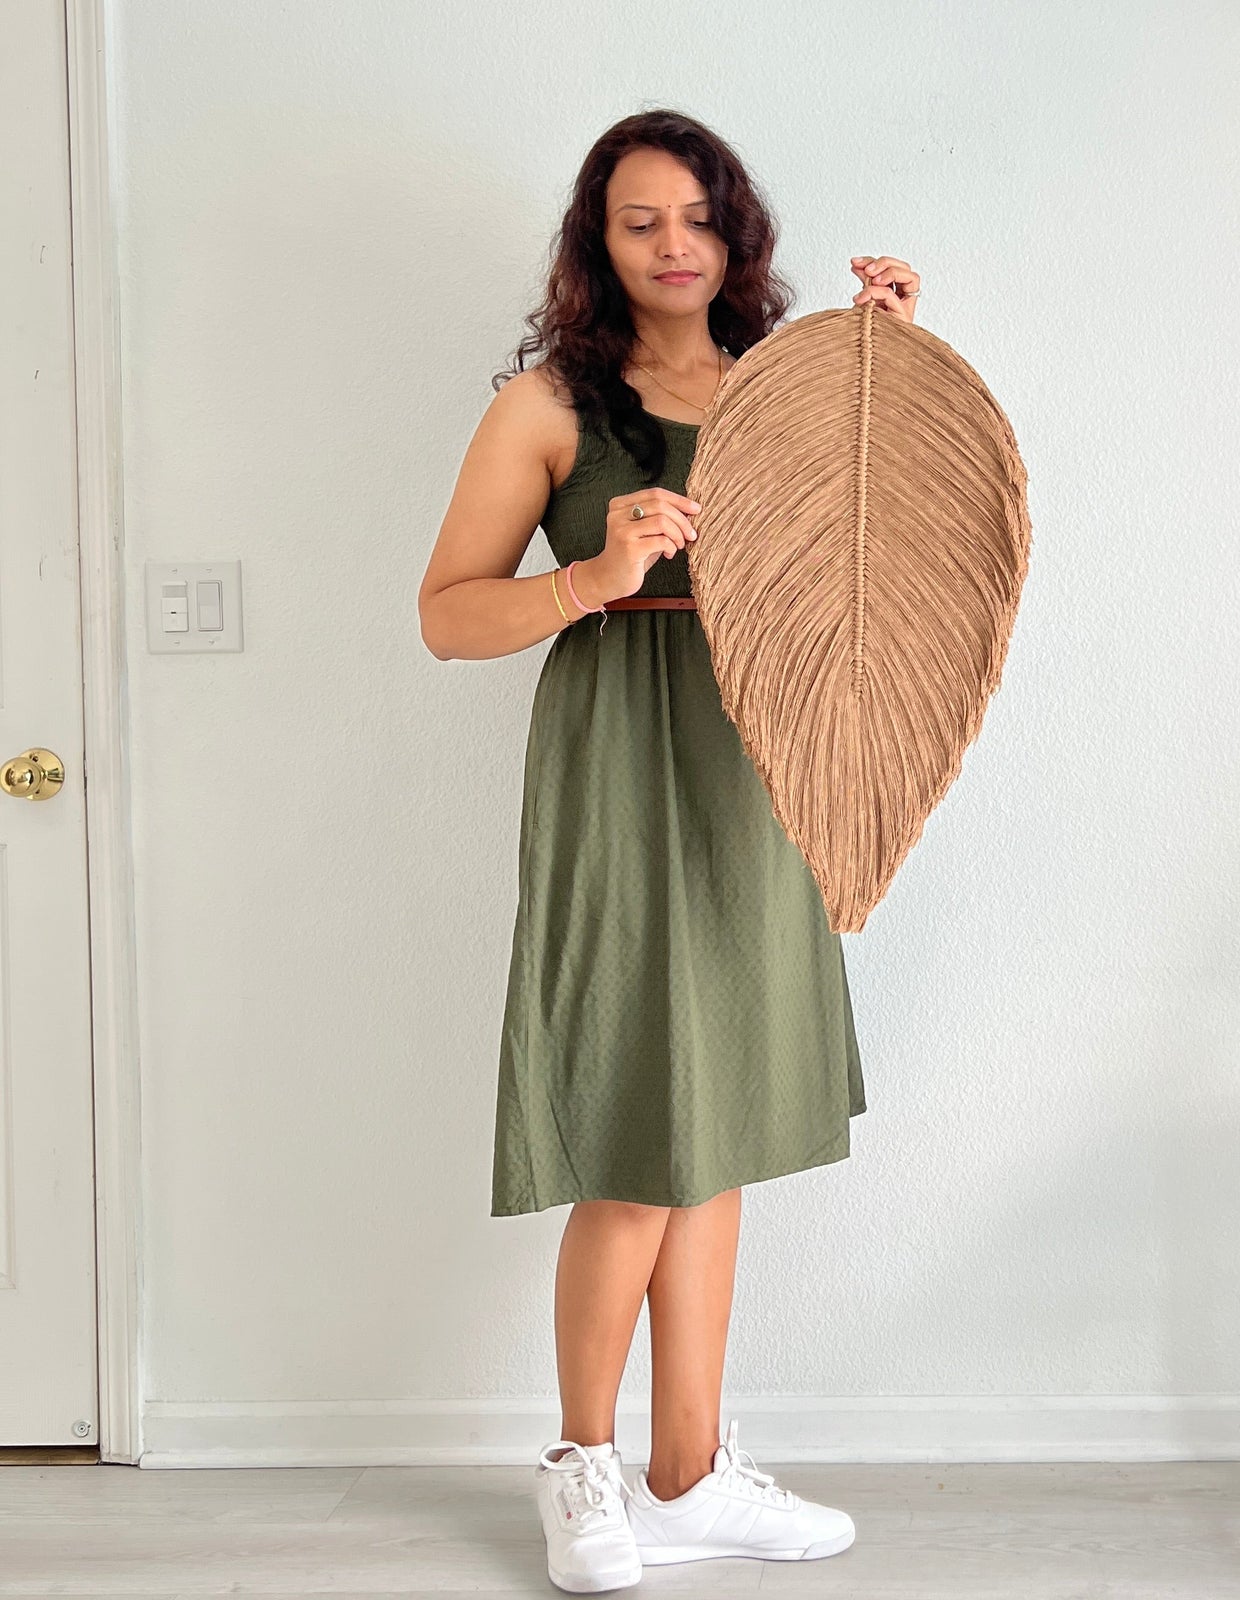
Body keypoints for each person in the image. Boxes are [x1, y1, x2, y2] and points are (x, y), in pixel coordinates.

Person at [417, 108, 922, 1593]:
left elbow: (886, 541)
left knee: (726, 1132)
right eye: (642, 220)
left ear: (736, 228)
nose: (675, 243)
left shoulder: (785, 384)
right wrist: (593, 571)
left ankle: (691, 1475)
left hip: (763, 768)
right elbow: (448, 614)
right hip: (622, 774)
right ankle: (583, 1468)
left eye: (699, 215)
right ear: (598, 238)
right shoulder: (546, 405)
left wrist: (886, 358)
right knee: (639, 1134)